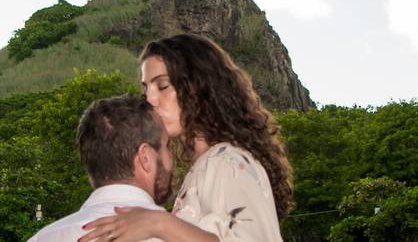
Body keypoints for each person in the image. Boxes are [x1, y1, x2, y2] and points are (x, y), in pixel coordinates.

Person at [79, 33, 293, 242]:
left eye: (162, 86)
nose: (150, 99)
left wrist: (158, 223)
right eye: (146, 89)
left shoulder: (226, 162)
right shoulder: (205, 166)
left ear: (199, 87)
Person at [27, 94, 175, 242]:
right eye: (166, 146)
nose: (171, 157)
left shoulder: (43, 238)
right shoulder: (178, 234)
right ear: (145, 157)